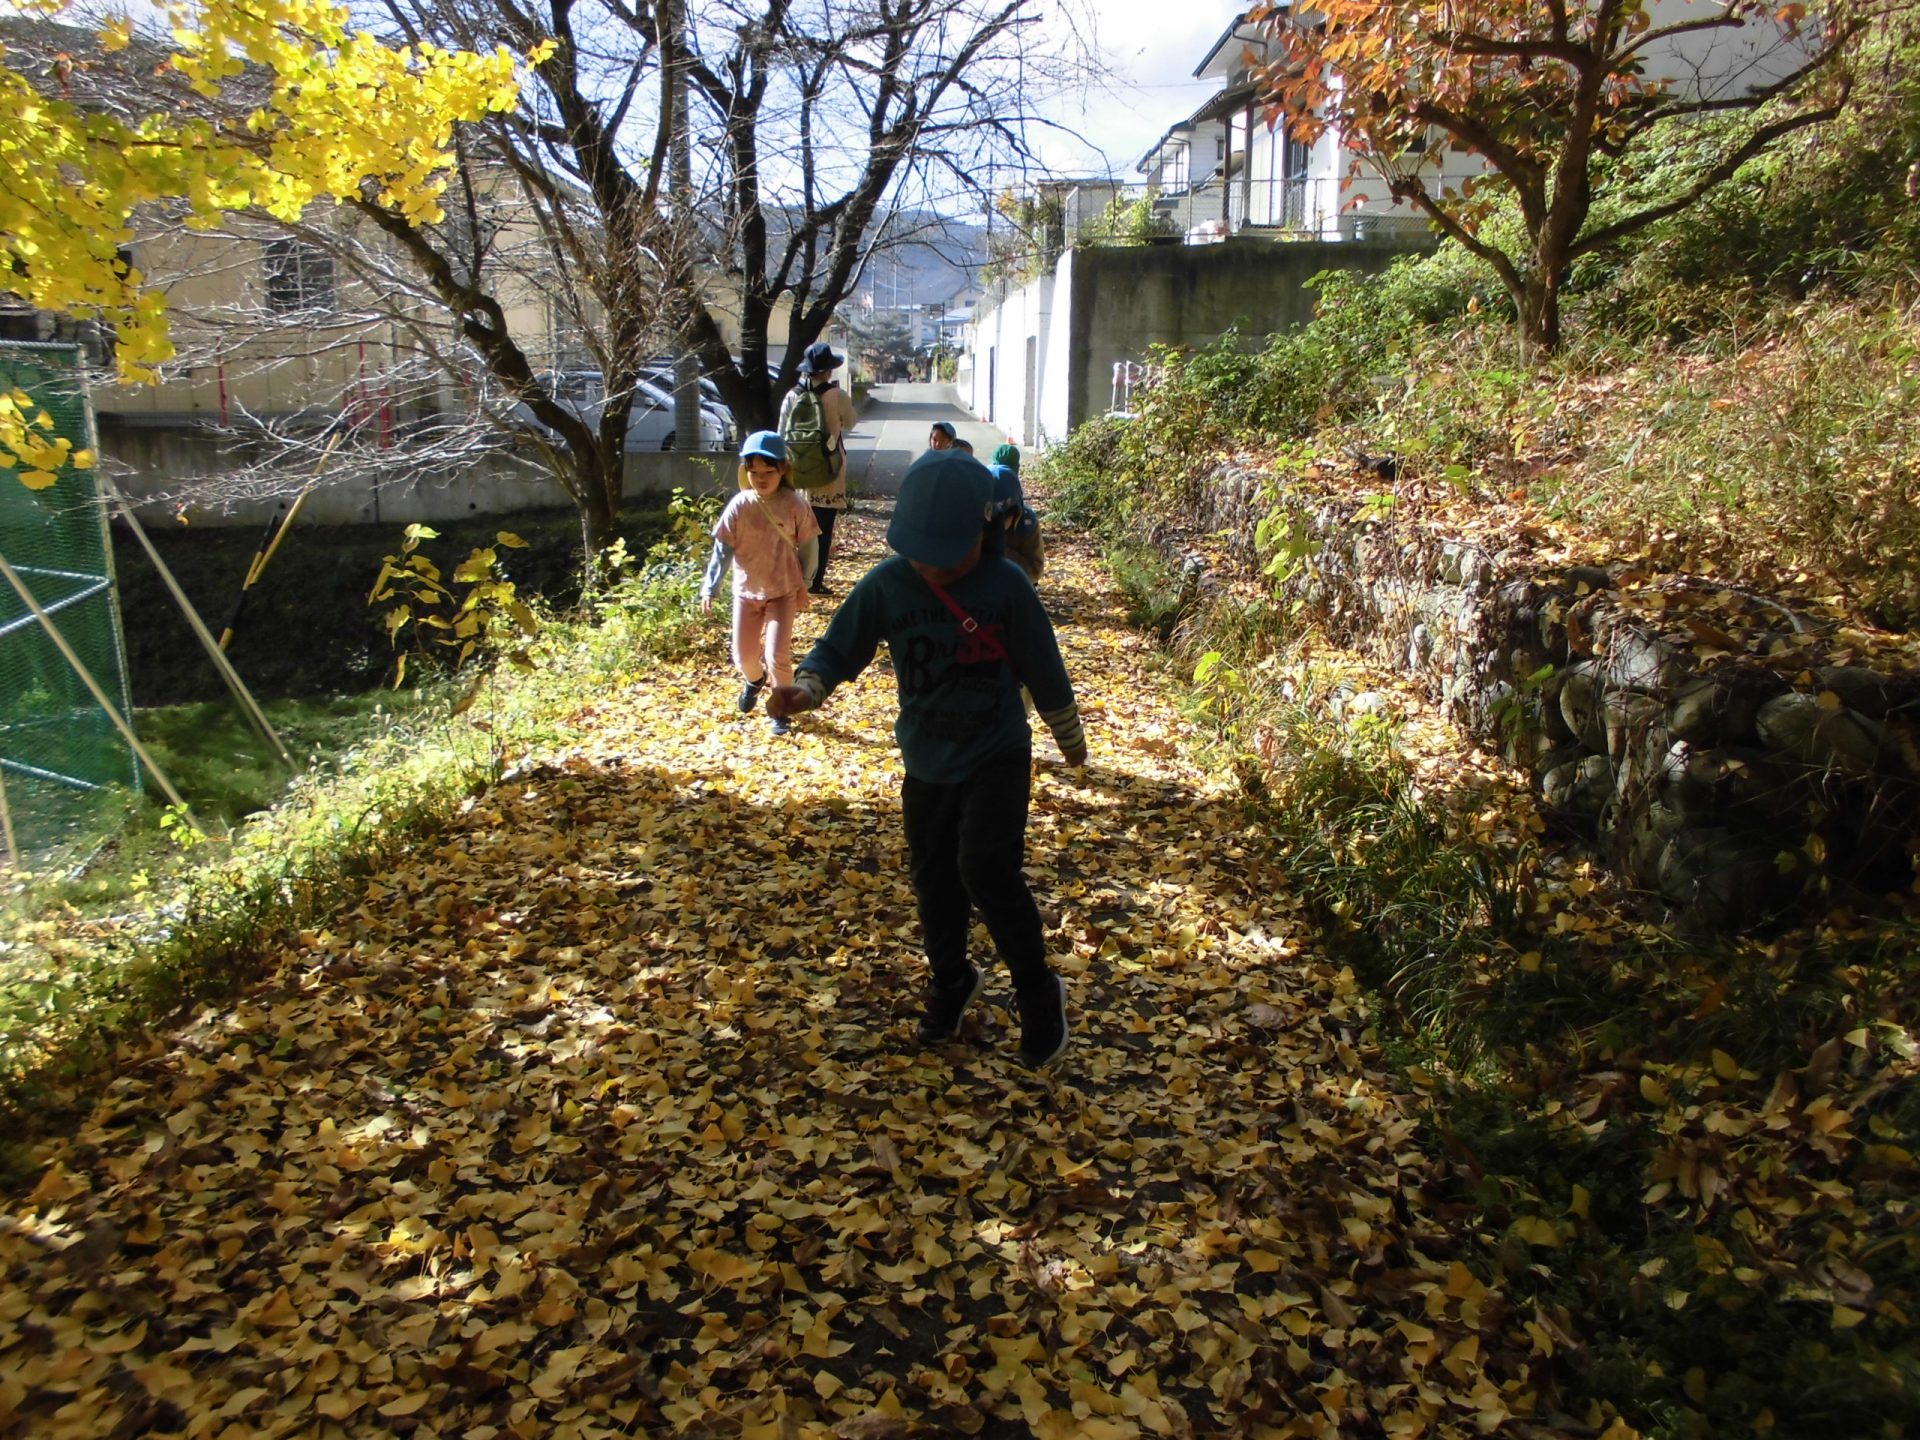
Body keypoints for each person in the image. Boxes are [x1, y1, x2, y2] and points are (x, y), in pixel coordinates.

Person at [765, 451, 1086, 1068]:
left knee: (985, 869)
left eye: (948, 554)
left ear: (983, 531)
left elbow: (1044, 666)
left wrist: (1068, 736)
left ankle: (1038, 991)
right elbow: (839, 646)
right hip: (927, 758)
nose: (933, 567)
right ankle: (951, 979)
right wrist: (807, 688)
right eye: (922, 552)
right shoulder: (889, 583)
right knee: (933, 877)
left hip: (997, 751)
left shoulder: (1006, 585)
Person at [700, 431, 821, 736]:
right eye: (754, 473)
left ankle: (781, 709)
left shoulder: (795, 504)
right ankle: (755, 681)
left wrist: (805, 584)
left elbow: (809, 547)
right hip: (746, 591)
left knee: (777, 655)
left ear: (783, 469)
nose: (761, 479)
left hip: (783, 590)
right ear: (745, 472)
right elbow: (722, 550)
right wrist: (710, 587)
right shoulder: (740, 505)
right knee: (743, 656)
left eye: (769, 472)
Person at [779, 341, 856, 597]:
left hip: (799, 472)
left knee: (797, 528)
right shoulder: (837, 396)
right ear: (829, 371)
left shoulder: (792, 396)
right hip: (830, 471)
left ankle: (793, 579)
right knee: (823, 529)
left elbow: (781, 434)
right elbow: (851, 422)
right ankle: (815, 581)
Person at [988, 462, 1044, 586]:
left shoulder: (1027, 524)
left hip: (1015, 584)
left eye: (1001, 518)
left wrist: (998, 549)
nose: (995, 525)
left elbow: (1035, 571)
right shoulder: (972, 519)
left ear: (1015, 512)